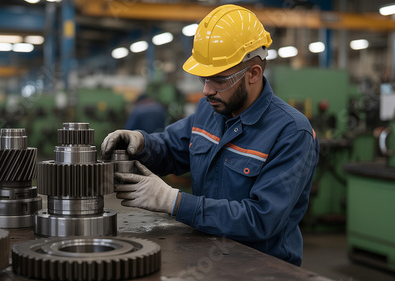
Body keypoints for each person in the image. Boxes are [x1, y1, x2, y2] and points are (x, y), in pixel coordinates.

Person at [101, 4, 319, 266]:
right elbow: (172, 147)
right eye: (202, 78)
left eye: (218, 79)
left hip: (262, 268)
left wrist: (174, 201)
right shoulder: (211, 110)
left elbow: (261, 220)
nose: (206, 91)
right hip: (205, 258)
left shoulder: (291, 132)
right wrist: (140, 142)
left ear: (253, 73)